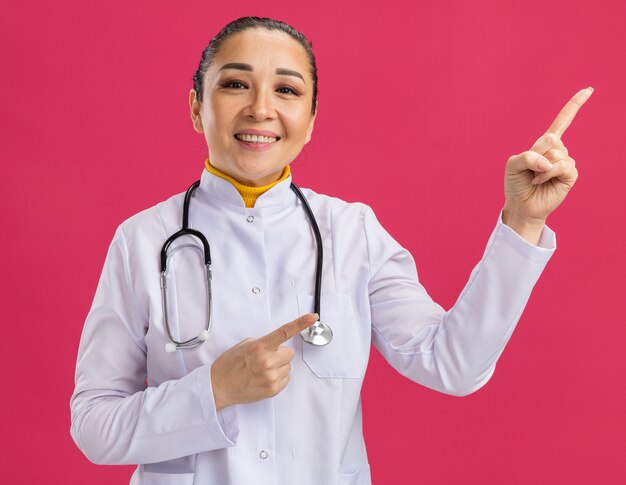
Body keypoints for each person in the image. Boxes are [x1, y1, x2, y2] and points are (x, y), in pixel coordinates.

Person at [70, 16, 593, 485]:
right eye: (235, 84)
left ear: (312, 118)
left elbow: (452, 363)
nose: (260, 108)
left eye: (287, 90)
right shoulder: (142, 241)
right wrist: (211, 390)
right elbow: (94, 426)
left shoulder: (352, 234)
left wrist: (523, 221)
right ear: (195, 106)